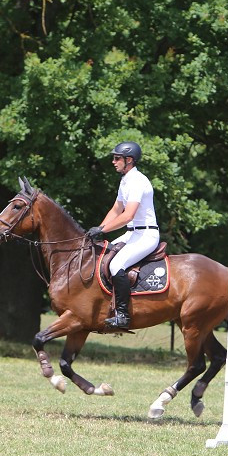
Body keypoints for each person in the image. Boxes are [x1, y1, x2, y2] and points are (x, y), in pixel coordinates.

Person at [85, 141, 159, 330]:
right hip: (132, 234)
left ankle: (123, 315)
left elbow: (128, 215)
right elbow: (116, 209)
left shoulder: (137, 181)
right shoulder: (125, 180)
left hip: (146, 235)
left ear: (129, 160)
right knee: (102, 255)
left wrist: (103, 230)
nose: (113, 161)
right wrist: (98, 229)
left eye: (117, 158)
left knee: (117, 264)